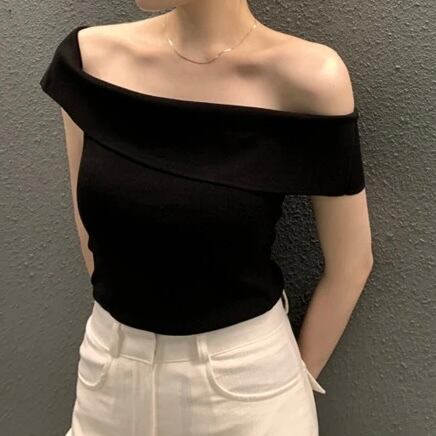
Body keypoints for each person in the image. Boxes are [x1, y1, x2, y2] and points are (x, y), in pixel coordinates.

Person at [39, 1, 373, 435]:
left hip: (248, 390)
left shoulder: (310, 78)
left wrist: (288, 385)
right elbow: (94, 241)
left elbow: (351, 264)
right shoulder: (92, 62)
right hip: (108, 378)